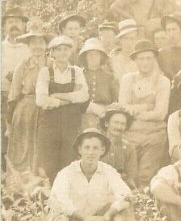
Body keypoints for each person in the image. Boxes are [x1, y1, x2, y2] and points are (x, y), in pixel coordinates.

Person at [48, 128, 134, 221]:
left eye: (95, 148)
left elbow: (125, 194)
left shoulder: (108, 171)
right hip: (73, 219)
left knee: (125, 209)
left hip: (99, 220)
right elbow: (59, 198)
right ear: (80, 150)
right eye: (87, 148)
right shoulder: (66, 173)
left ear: (102, 150)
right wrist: (84, 217)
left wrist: (108, 214)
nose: (91, 152)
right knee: (58, 217)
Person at [35, 35, 89, 181]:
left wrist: (58, 96)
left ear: (70, 52)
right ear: (52, 53)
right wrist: (70, 98)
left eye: (66, 49)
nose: (62, 53)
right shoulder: (45, 72)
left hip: (71, 122)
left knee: (69, 158)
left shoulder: (76, 71)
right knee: (48, 159)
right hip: (49, 123)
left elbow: (84, 95)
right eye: (58, 50)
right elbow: (41, 99)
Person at [118, 40, 170, 186]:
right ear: (135, 60)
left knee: (145, 176)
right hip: (130, 133)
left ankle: (146, 206)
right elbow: (123, 106)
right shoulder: (128, 79)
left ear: (154, 59)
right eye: (141, 58)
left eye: (149, 58)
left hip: (154, 134)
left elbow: (161, 113)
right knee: (128, 175)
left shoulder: (163, 81)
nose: (145, 62)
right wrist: (147, 106)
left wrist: (135, 110)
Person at [6, 28, 48, 174]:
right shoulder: (23, 65)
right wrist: (9, 122)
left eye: (40, 42)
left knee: (44, 147)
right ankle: (20, 187)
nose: (37, 46)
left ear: (46, 45)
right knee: (22, 149)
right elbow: (13, 93)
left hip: (47, 110)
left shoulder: (52, 64)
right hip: (25, 111)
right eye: (33, 43)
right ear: (29, 46)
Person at [78, 38, 118, 130]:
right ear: (85, 57)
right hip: (84, 113)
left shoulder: (109, 76)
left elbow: (116, 99)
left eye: (96, 54)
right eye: (90, 54)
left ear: (101, 57)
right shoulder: (79, 75)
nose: (93, 57)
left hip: (106, 113)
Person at [99, 104, 138, 189]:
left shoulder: (129, 148)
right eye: (116, 123)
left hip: (120, 189)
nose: (119, 127)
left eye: (123, 124)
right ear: (106, 123)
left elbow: (131, 177)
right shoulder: (95, 144)